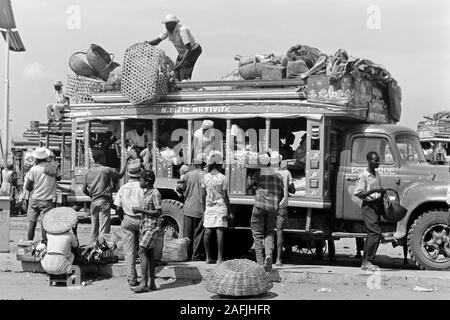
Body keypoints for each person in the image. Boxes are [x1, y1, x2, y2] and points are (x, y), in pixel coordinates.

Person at [248, 151, 285, 272]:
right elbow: (281, 192)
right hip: (273, 207)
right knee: (269, 232)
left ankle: (260, 262)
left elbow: (249, 185)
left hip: (259, 206)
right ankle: (268, 255)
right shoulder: (278, 175)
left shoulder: (258, 173)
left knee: (257, 234)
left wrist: (250, 173)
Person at [83, 149, 128, 244]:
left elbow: (84, 190)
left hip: (94, 202)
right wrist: (126, 161)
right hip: (104, 202)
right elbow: (120, 175)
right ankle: (102, 250)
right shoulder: (106, 170)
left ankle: (92, 248)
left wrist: (92, 196)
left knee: (94, 228)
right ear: (101, 158)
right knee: (103, 229)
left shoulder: (88, 172)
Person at [131, 170, 163, 293]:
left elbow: (158, 212)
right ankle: (152, 283)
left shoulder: (155, 193)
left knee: (141, 251)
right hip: (145, 227)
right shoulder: (146, 193)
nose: (140, 182)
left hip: (152, 227)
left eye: (141, 179)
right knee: (149, 254)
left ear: (147, 181)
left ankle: (143, 283)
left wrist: (140, 210)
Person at [113, 160, 145, 287]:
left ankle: (132, 278)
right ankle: (145, 277)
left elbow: (117, 208)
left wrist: (123, 219)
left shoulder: (123, 188)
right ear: (140, 173)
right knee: (144, 250)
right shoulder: (143, 187)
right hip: (143, 220)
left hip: (128, 220)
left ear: (128, 173)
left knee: (129, 252)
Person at [353, 151, 386, 271]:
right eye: (375, 160)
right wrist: (373, 191)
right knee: (375, 232)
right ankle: (367, 261)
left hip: (376, 205)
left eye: (378, 160)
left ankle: (366, 262)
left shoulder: (376, 174)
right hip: (368, 206)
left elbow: (379, 189)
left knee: (372, 233)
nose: (378, 162)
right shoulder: (364, 175)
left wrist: (381, 193)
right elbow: (358, 193)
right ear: (369, 161)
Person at [148, 14, 202, 81]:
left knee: (184, 68)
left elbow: (189, 48)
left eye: (169, 24)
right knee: (175, 70)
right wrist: (148, 43)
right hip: (182, 53)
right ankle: (179, 86)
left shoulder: (182, 30)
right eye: (166, 24)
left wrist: (181, 63)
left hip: (193, 51)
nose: (167, 26)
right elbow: (158, 40)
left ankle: (186, 86)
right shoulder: (167, 30)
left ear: (174, 24)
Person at [25, 147, 61, 243]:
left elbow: (27, 186)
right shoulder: (52, 168)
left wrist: (33, 189)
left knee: (32, 223)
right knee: (45, 223)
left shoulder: (34, 169)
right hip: (47, 200)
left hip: (35, 198)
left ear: (36, 158)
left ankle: (29, 243)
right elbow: (59, 178)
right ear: (46, 157)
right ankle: (44, 243)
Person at [202, 153, 230, 264]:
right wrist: (230, 210)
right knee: (220, 232)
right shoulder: (223, 178)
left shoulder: (205, 177)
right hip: (221, 207)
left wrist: (204, 208)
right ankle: (219, 258)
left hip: (209, 206)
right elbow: (225, 196)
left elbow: (203, 195)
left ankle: (208, 257)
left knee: (207, 231)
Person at [180, 157, 206, 261]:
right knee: (198, 234)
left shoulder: (187, 175)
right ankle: (195, 256)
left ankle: (185, 255)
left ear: (195, 165)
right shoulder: (206, 176)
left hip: (188, 208)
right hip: (200, 209)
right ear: (204, 165)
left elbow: (180, 187)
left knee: (187, 235)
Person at [40, 207, 79, 275]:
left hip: (46, 266)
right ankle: (72, 274)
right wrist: (75, 232)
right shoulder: (70, 235)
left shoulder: (49, 235)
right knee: (73, 253)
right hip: (61, 268)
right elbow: (76, 246)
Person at [275, 159, 294, 266]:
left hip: (269, 205)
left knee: (268, 232)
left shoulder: (267, 172)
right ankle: (278, 259)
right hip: (282, 206)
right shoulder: (286, 173)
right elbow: (293, 189)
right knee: (279, 232)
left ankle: (265, 256)